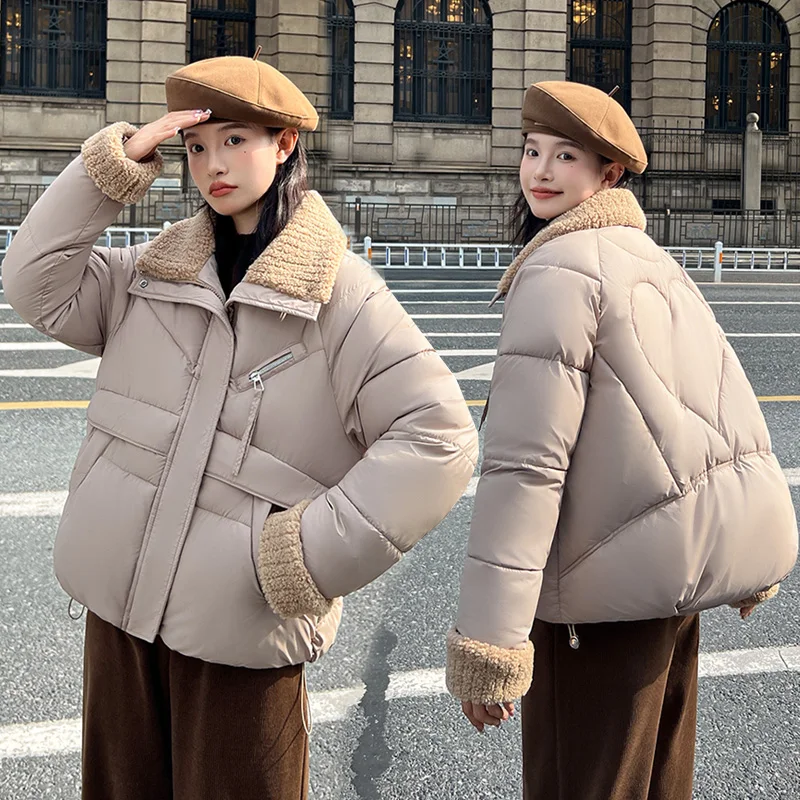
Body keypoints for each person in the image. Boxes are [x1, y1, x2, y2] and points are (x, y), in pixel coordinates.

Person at [2, 55, 479, 799]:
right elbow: (33, 281)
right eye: (197, 147)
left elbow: (440, 436)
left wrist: (300, 562)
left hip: (242, 635)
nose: (212, 165)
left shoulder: (342, 297)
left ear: (284, 143)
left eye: (235, 141)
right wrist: (116, 166)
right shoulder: (151, 274)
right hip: (121, 619)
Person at [445, 80, 798, 800]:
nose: (541, 171)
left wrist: (492, 644)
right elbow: (724, 412)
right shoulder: (646, 259)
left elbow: (526, 469)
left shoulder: (558, 269)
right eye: (532, 151)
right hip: (664, 594)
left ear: (609, 173)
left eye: (565, 156)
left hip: (595, 599)